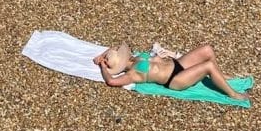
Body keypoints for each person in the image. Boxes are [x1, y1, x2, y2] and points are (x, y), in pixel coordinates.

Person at [93, 41, 250, 101]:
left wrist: (101, 57)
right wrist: (103, 67)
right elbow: (111, 81)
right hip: (175, 80)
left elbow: (115, 46)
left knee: (207, 50)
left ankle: (220, 75)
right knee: (207, 66)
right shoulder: (132, 74)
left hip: (177, 65)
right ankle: (233, 94)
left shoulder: (136, 58)